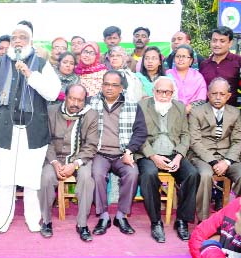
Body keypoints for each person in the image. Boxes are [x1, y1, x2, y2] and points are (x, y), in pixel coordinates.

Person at [0, 21, 60, 233]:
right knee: (5, 177)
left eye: (22, 37)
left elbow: (52, 93)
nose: (17, 40)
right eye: (14, 37)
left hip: (34, 131)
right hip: (7, 130)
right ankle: (4, 219)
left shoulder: (42, 64)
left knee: (32, 178)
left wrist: (30, 75)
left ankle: (33, 219)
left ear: (30, 42)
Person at [135, 76, 200, 243]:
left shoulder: (179, 107)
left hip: (173, 152)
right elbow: (137, 134)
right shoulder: (142, 106)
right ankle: (156, 222)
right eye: (160, 91)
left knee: (192, 174)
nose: (163, 95)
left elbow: (185, 134)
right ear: (153, 91)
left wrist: (179, 156)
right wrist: (153, 156)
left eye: (168, 92)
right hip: (149, 152)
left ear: (173, 93)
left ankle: (182, 221)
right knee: (148, 175)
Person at [90, 70, 147, 236]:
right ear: (101, 85)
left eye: (114, 85)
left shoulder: (132, 105)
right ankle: (104, 215)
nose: (109, 88)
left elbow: (140, 132)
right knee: (96, 174)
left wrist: (129, 151)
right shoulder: (91, 103)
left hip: (123, 153)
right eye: (106, 84)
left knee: (132, 173)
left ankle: (121, 215)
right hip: (100, 152)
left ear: (121, 87)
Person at [39, 84, 98, 242]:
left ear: (85, 100)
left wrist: (74, 164)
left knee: (86, 179)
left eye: (80, 100)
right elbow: (45, 140)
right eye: (72, 98)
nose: (75, 103)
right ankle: (46, 221)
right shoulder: (51, 111)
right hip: (54, 157)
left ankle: (82, 224)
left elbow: (91, 145)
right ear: (65, 97)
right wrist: (54, 162)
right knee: (45, 177)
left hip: (79, 158)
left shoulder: (91, 115)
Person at [189, 77, 241, 222]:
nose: (218, 97)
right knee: (205, 175)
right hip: (203, 156)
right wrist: (212, 161)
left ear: (229, 96)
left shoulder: (235, 113)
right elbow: (195, 141)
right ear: (208, 94)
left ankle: (236, 218)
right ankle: (203, 220)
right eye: (214, 93)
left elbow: (238, 141)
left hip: (228, 157)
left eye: (222, 94)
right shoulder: (196, 112)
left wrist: (227, 162)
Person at [200, 26, 241, 107]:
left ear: (230, 43)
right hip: (207, 113)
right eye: (214, 41)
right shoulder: (204, 64)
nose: (217, 44)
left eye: (222, 41)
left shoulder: (238, 61)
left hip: (232, 113)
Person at [166, 44, 207, 114]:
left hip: (193, 115)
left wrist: (187, 109)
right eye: (178, 56)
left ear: (191, 60)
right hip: (170, 113)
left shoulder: (197, 76)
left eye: (184, 56)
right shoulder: (167, 75)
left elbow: (201, 99)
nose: (180, 59)